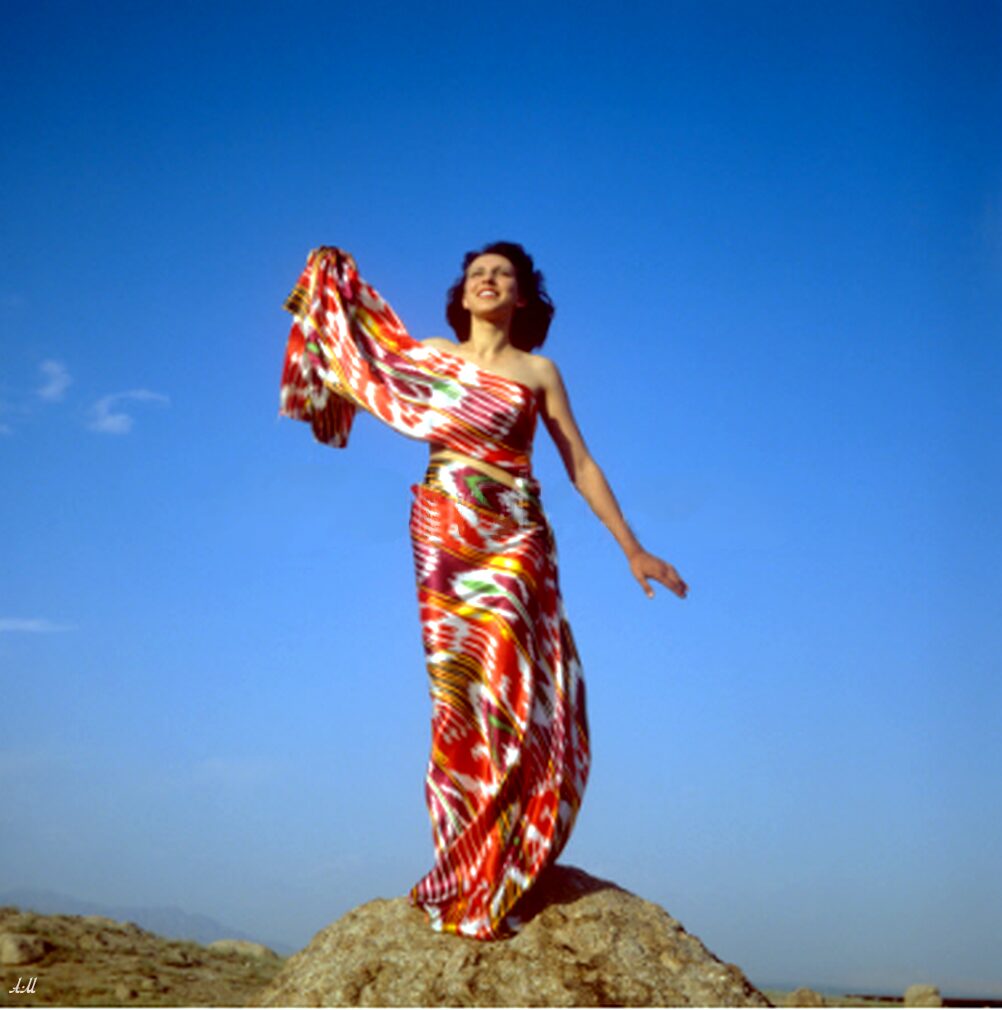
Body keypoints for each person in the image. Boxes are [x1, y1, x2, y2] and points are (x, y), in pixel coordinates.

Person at [279, 241, 687, 940]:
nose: (488, 280)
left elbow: (580, 463)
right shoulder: (435, 355)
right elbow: (366, 360)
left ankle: (509, 854)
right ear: (463, 294)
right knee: (460, 692)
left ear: (522, 296)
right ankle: (466, 862)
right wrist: (328, 287)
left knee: (514, 686)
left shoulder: (539, 372)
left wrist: (632, 547)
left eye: (502, 274)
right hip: (447, 526)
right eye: (477, 274)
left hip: (517, 533)